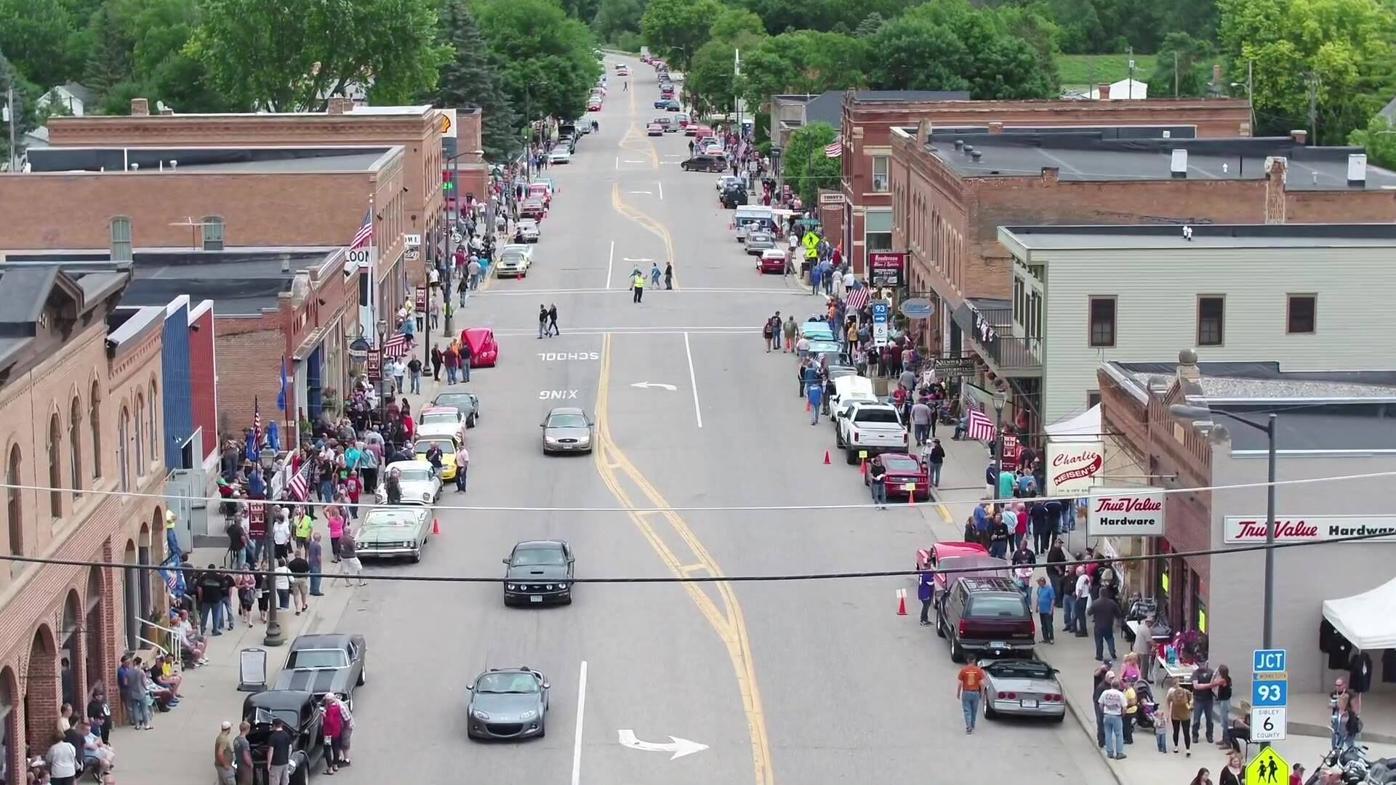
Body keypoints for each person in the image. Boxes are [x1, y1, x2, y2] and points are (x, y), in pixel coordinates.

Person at [1088, 590, 1122, 661]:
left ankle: (1099, 655)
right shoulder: (1112, 603)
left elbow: (1089, 613)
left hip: (1098, 626)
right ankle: (1112, 651)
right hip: (1108, 625)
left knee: (1099, 641)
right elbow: (1118, 614)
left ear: (1099, 594)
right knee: (1110, 639)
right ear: (1107, 594)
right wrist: (1118, 622)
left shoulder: (1095, 603)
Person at [1191, 658, 1217, 745]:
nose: (1201, 665)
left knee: (1209, 719)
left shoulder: (1211, 672)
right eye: (1199, 663)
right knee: (1196, 719)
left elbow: (1214, 684)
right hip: (1198, 699)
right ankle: (1195, 735)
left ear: (1206, 663)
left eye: (1203, 663)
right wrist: (1209, 685)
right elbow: (1196, 686)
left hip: (1209, 699)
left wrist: (1212, 685)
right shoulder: (1196, 673)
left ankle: (1209, 735)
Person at [1099, 677, 1127, 759]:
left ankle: (1110, 752)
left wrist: (1103, 711)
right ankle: (1119, 753)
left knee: (1108, 734)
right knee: (1119, 734)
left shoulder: (1105, 693)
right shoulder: (1120, 694)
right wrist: (1122, 714)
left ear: (1111, 685)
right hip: (1116, 716)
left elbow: (1100, 704)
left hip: (1107, 715)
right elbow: (1124, 707)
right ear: (1119, 686)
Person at [957, 658, 986, 734]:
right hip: (975, 693)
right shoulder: (978, 670)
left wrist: (958, 693)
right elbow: (982, 684)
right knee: (974, 710)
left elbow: (960, 683)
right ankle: (972, 725)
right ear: (974, 661)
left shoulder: (963, 670)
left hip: (966, 692)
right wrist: (982, 693)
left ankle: (968, 726)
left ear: (967, 660)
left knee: (967, 710)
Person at [1166, 676, 1194, 755]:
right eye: (1175, 683)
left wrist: (1191, 703)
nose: (1177, 684)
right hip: (1177, 714)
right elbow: (1167, 702)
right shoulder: (1172, 693)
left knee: (1185, 732)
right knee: (1177, 731)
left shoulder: (1185, 692)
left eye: (1177, 682)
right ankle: (1176, 746)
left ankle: (1187, 749)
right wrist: (1168, 714)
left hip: (1184, 714)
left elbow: (1192, 697)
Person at [266, 718, 294, 785]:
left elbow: (271, 751)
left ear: (274, 725)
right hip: (285, 763)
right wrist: (287, 758)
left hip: (275, 764)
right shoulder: (286, 735)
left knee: (274, 782)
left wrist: (268, 763)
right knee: (285, 782)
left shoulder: (273, 737)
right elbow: (290, 747)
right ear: (281, 725)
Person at [322, 695, 344, 775]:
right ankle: (335, 765)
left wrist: (324, 716)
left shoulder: (329, 710)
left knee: (327, 750)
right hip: (337, 731)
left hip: (328, 733)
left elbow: (330, 721)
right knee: (336, 748)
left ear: (328, 701)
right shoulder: (337, 707)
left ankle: (330, 768)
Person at [214, 721, 236, 785]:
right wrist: (225, 765)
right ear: (229, 729)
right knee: (231, 782)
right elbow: (220, 753)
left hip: (219, 766)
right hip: (224, 768)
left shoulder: (220, 736)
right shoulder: (224, 739)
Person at [1034, 576, 1055, 643]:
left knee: (1049, 625)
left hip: (1048, 610)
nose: (1038, 584)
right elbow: (1038, 598)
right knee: (1043, 625)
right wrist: (1037, 607)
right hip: (1042, 610)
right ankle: (1045, 638)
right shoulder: (1039, 589)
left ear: (1043, 582)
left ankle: (1051, 638)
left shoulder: (1049, 589)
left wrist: (1051, 610)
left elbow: (1052, 599)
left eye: (1039, 582)